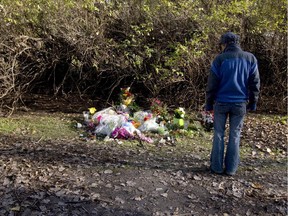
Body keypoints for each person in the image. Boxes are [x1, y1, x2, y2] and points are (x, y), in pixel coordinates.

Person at [205, 32, 260, 176]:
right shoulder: (250, 58)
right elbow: (255, 84)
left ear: (225, 44)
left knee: (218, 134)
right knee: (235, 135)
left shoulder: (220, 59)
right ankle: (231, 169)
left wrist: (209, 104)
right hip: (240, 103)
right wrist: (253, 102)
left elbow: (211, 85)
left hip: (221, 102)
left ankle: (216, 167)